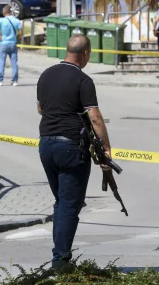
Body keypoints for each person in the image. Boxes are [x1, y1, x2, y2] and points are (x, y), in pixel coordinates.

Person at [36, 34, 112, 268]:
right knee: (70, 205)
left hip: (46, 145)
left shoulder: (45, 75)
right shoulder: (83, 80)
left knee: (62, 203)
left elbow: (41, 109)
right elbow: (95, 118)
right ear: (86, 53)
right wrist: (106, 151)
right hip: (71, 148)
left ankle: (60, 257)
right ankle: (61, 262)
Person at [0, 5, 22, 86]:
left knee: (2, 62)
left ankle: (0, 81)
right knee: (14, 63)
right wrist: (16, 38)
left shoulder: (2, 21)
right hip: (13, 44)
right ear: (11, 12)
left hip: (3, 43)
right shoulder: (17, 21)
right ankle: (14, 81)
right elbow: (21, 33)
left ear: (4, 12)